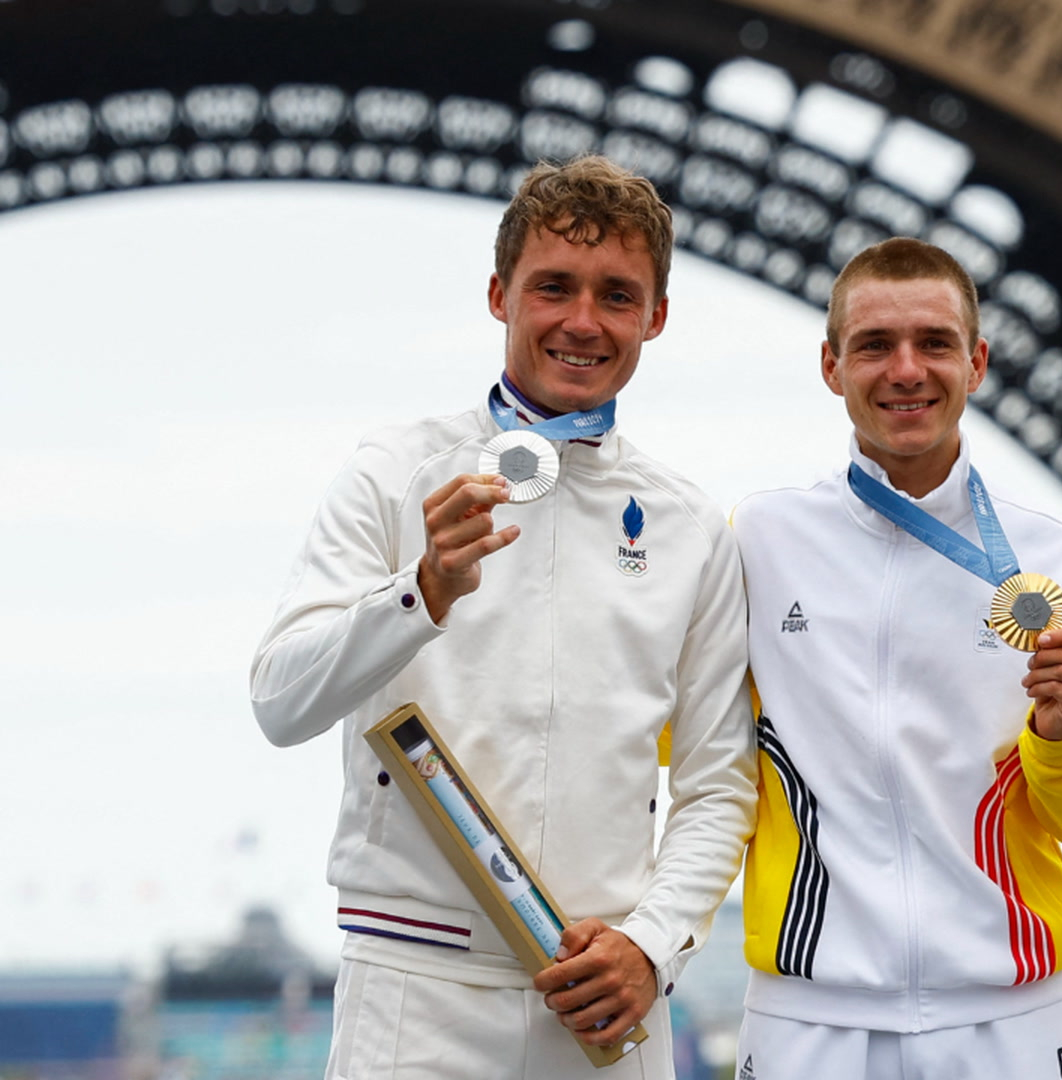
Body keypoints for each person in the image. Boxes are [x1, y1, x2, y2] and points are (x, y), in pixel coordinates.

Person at [249, 155, 756, 1079]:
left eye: (617, 294)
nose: (582, 321)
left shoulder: (689, 526)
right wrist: (422, 590)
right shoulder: (393, 471)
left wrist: (652, 945)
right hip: (414, 991)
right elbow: (280, 701)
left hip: (606, 999)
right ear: (499, 295)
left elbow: (719, 784)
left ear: (657, 317)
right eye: (553, 287)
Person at [727, 237, 1062, 1080]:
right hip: (811, 1014)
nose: (906, 369)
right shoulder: (754, 546)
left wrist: (1060, 737)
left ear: (978, 361)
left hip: (1008, 1015)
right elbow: (666, 737)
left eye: (935, 343)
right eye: (876, 345)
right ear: (831, 365)